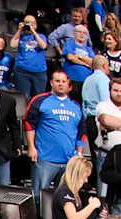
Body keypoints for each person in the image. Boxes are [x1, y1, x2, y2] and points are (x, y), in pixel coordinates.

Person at [25, 69, 84, 202]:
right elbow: (29, 124)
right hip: (45, 158)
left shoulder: (76, 106)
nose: (61, 84)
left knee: (64, 198)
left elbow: (82, 131)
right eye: (57, 81)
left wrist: (79, 154)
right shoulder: (39, 100)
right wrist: (31, 147)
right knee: (38, 195)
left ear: (69, 85)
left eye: (64, 81)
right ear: (51, 83)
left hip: (68, 161)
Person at [52, 154, 100, 219]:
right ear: (77, 175)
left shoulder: (75, 193)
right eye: (85, 177)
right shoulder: (64, 192)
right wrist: (92, 206)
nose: (86, 181)